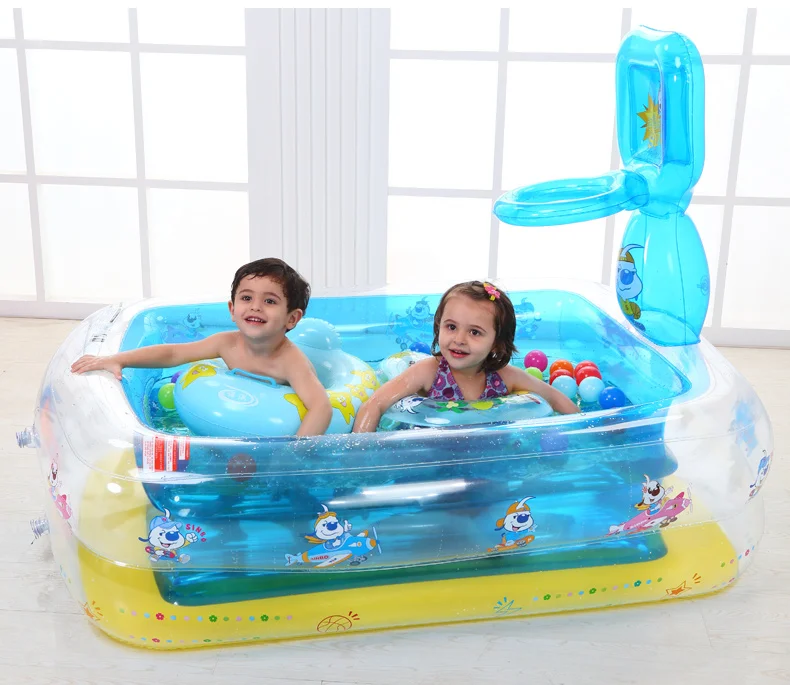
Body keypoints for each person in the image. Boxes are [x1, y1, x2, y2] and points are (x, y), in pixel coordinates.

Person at [71, 258, 333, 437]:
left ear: (292, 319)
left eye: (270, 301)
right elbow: (174, 353)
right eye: (246, 298)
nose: (255, 307)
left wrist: (294, 453)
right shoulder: (227, 344)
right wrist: (119, 359)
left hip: (272, 421)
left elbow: (321, 406)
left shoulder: (291, 362)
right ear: (232, 309)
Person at [352, 280, 579, 433]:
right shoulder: (428, 372)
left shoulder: (505, 376)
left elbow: (554, 397)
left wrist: (585, 433)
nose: (459, 339)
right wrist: (358, 456)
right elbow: (375, 404)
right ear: (438, 326)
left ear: (496, 342)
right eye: (451, 327)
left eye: (474, 332)